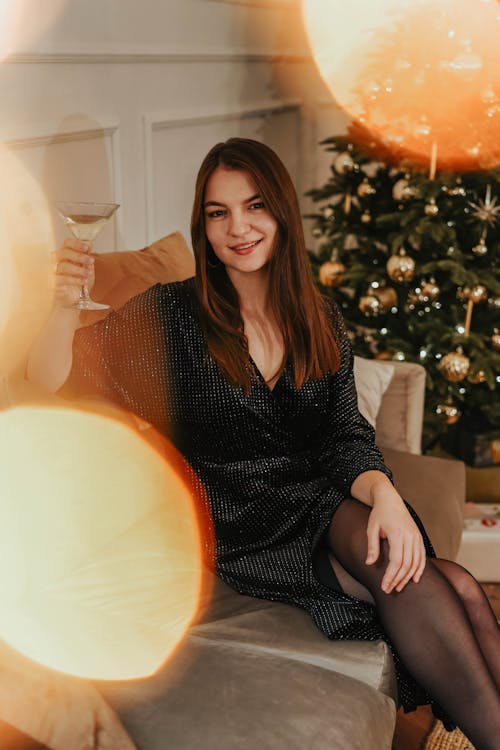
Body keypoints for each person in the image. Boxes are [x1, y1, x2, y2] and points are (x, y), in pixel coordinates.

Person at [28, 138, 499, 749]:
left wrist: (385, 496)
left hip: (316, 502)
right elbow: (52, 377)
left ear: (281, 214)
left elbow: (343, 434)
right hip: (238, 519)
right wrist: (64, 305)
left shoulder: (317, 315)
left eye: (254, 207)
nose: (238, 228)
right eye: (218, 212)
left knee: (453, 582)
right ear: (203, 224)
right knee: (434, 582)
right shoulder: (173, 316)